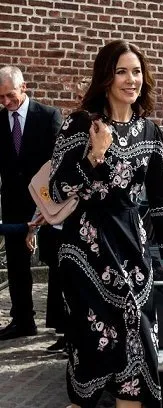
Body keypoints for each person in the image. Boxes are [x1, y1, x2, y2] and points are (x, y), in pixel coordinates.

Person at [48, 40, 163, 408]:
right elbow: (57, 189)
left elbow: (161, 200)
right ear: (106, 77)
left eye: (137, 71)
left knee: (138, 363)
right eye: (122, 71)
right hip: (86, 252)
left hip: (133, 252)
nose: (131, 80)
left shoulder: (151, 133)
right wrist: (95, 154)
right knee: (92, 358)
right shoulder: (81, 124)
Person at [0, 65, 62, 341]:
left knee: (57, 261)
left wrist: (45, 205)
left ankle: (64, 328)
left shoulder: (48, 116)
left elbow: (58, 162)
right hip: (13, 202)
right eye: (1, 98)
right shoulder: (0, 120)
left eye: (10, 96)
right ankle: (23, 320)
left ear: (24, 87)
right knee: (16, 264)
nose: (6, 103)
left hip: (47, 201)